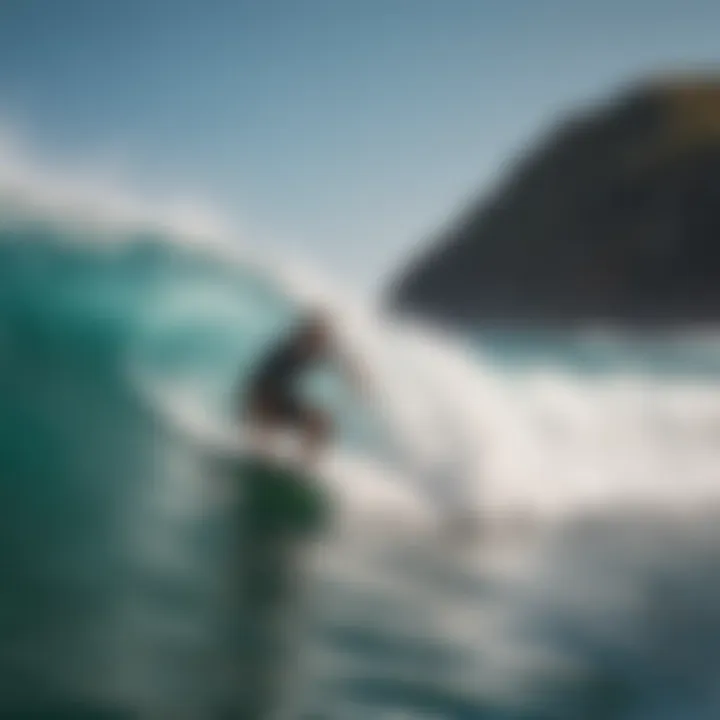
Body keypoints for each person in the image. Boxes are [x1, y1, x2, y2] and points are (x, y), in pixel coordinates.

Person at [243, 310, 362, 464]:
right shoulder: (290, 349)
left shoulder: (312, 348)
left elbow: (338, 360)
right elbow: (260, 381)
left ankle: (301, 464)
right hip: (262, 396)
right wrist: (258, 410)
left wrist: (355, 378)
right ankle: (257, 454)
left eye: (325, 335)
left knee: (321, 424)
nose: (324, 340)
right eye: (321, 334)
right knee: (268, 428)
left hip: (280, 396)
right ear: (309, 333)